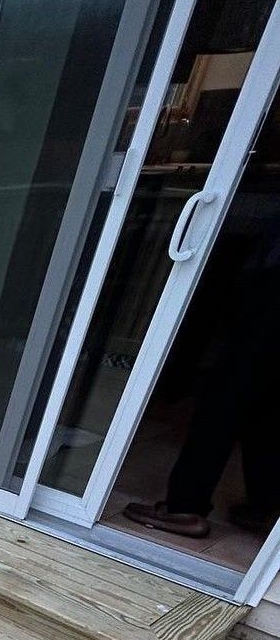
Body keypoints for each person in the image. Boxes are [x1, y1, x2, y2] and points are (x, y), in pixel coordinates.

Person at [124, 211, 280, 540]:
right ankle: (263, 504)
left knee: (229, 393)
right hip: (268, 274)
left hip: (270, 279)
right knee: (263, 396)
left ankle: (185, 506)